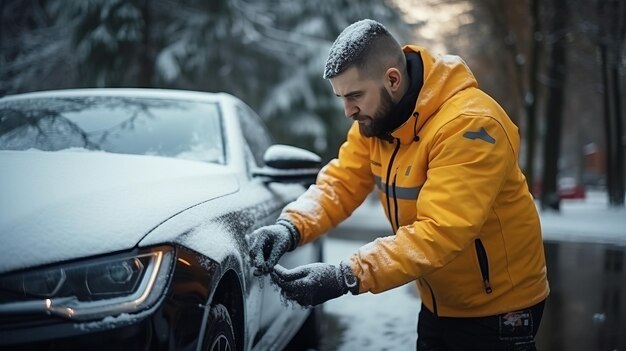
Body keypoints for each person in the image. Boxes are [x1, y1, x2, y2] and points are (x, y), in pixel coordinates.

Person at [249, 19, 549, 350]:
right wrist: (290, 227)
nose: (348, 110)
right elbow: (341, 183)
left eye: (355, 95)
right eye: (341, 97)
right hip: (439, 301)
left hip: (499, 309)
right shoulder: (376, 122)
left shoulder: (470, 125)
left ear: (393, 79)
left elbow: (440, 231)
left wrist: (347, 275)